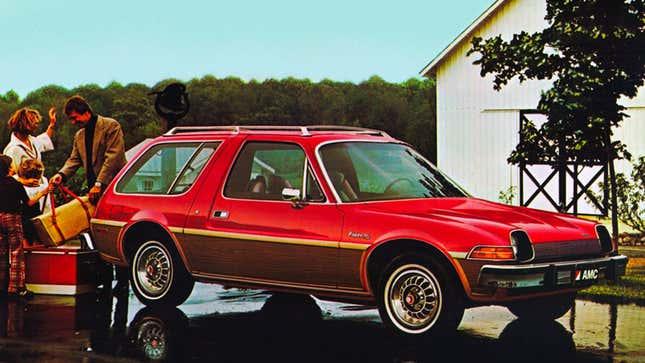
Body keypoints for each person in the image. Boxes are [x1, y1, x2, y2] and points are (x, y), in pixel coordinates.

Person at [49, 95, 128, 292]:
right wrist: (61, 175)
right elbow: (74, 160)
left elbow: (113, 157)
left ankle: (123, 280)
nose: (74, 123)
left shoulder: (111, 126)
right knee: (98, 235)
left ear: (86, 112)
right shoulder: (79, 136)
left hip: (113, 188)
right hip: (95, 191)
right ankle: (104, 278)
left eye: (75, 118)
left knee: (115, 234)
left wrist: (100, 183)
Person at [0, 155, 50, 300]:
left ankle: (2, 285)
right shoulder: (15, 185)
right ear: (9, 168)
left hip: (0, 217)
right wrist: (42, 193)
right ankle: (16, 287)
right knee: (17, 252)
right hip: (13, 218)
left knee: (2, 251)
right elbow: (28, 203)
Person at [3, 107, 56, 185]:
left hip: (41, 188)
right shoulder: (12, 149)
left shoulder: (32, 140)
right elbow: (7, 175)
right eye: (32, 122)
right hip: (24, 192)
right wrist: (23, 181)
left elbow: (44, 140)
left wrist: (52, 124)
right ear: (22, 123)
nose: (36, 125)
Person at [17, 159, 51, 245]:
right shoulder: (24, 188)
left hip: (28, 215)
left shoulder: (18, 185)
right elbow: (29, 203)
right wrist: (42, 193)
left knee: (28, 237)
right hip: (28, 214)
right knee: (32, 237)